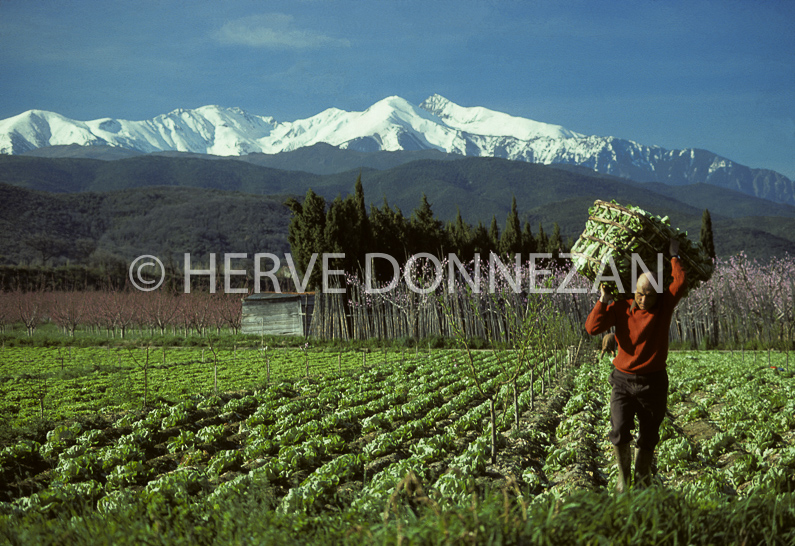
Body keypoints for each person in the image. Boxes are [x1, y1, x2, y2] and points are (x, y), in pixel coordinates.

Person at [585, 238, 686, 492]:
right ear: (634, 291)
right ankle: (623, 478)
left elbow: (681, 282)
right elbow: (592, 328)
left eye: (649, 296)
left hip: (653, 381)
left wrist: (674, 255)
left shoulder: (663, 307)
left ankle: (642, 479)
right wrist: (603, 301)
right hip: (623, 379)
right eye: (640, 294)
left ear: (658, 294)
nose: (643, 300)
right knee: (619, 428)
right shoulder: (622, 306)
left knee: (649, 434)